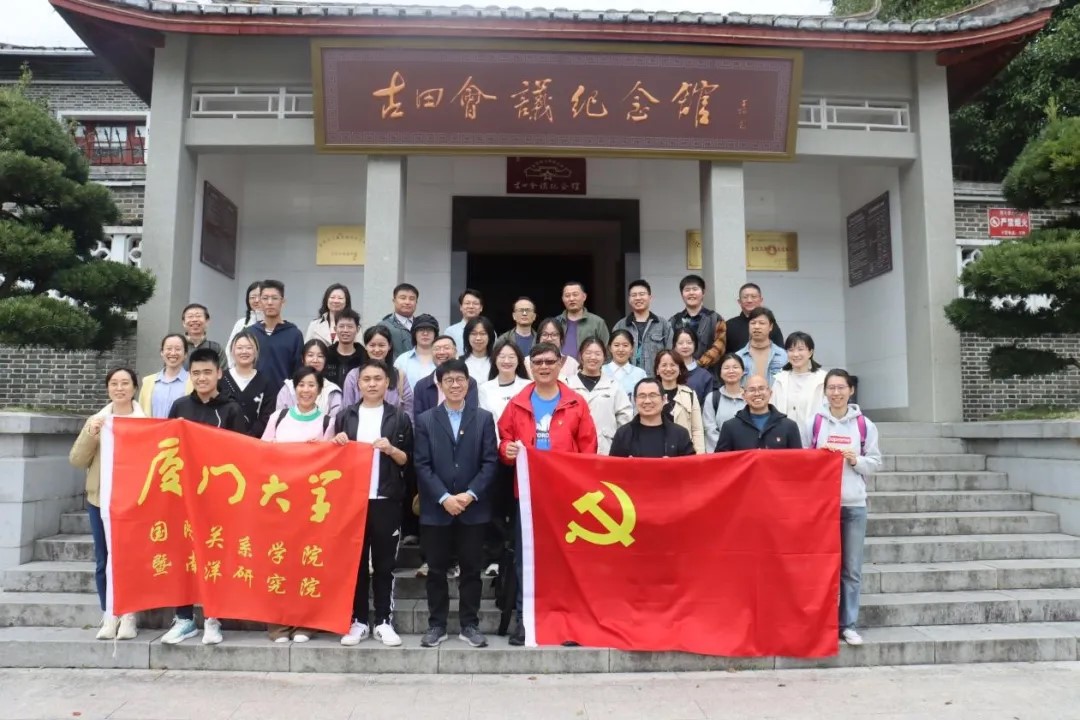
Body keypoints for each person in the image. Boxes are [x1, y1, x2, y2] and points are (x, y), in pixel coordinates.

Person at [498, 342, 598, 646]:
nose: (543, 367)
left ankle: (567, 621)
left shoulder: (576, 403)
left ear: (560, 364)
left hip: (565, 495)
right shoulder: (517, 403)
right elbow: (503, 440)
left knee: (564, 558)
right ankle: (525, 620)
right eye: (538, 362)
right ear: (530, 366)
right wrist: (507, 450)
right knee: (526, 559)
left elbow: (588, 448)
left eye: (549, 362)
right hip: (528, 494)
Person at [161, 347, 248, 645]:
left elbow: (242, 453)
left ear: (219, 373)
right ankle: (184, 619)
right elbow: (167, 447)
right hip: (184, 497)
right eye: (196, 373)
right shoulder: (180, 406)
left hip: (218, 500)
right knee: (183, 559)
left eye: (207, 372)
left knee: (215, 558)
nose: (201, 378)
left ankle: (213, 618)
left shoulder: (231, 409)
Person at [413, 359, 499, 649]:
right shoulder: (425, 420)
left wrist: (470, 494)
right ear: (440, 384)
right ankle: (436, 625)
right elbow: (421, 464)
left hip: (473, 508)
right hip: (436, 509)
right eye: (448, 380)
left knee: (471, 570)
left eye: (460, 379)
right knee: (436, 570)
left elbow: (490, 462)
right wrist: (444, 497)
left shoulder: (483, 418)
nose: (454, 385)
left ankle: (469, 625)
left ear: (468, 383)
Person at [333, 359, 413, 647]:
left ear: (387, 383)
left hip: (386, 499)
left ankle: (383, 621)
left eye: (377, 379)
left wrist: (391, 449)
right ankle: (358, 621)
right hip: (352, 500)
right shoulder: (345, 416)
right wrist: (337, 442)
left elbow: (407, 460)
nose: (372, 384)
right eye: (366, 379)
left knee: (384, 563)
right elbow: (333, 457)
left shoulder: (399, 417)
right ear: (358, 383)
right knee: (355, 563)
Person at [803, 369, 882, 646]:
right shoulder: (813, 423)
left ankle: (848, 624)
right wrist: (818, 458)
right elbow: (801, 460)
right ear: (824, 391)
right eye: (831, 388)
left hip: (853, 504)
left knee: (851, 569)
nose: (836, 393)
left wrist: (855, 460)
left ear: (851, 390)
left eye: (841, 388)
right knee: (821, 567)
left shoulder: (864, 425)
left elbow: (875, 463)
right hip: (821, 507)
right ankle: (820, 623)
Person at [69, 367, 146, 641]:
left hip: (133, 503)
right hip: (100, 500)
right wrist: (91, 434)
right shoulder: (97, 420)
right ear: (107, 388)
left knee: (130, 559)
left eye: (125, 383)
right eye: (114, 383)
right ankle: (109, 613)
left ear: (134, 388)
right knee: (104, 559)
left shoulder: (145, 423)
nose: (119, 388)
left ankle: (130, 615)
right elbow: (77, 460)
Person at [260, 365, 335, 643]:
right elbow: (261, 453)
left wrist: (323, 448)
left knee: (307, 562)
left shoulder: (328, 422)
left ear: (320, 390)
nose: (306, 390)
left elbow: (332, 463)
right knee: (279, 561)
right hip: (279, 504)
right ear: (294, 389)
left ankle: (306, 622)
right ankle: (278, 624)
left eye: (311, 385)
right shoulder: (278, 417)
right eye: (301, 385)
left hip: (310, 507)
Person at [477, 339, 531, 576]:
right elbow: (484, 422)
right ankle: (496, 557)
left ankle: (521, 553)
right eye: (502, 356)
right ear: (494, 360)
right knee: (496, 508)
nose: (507, 361)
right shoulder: (484, 388)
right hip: (495, 454)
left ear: (519, 360)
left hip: (525, 457)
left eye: (511, 357)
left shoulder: (528, 386)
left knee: (521, 507)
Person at [565, 337, 633, 455]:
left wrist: (621, 445)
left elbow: (625, 418)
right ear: (581, 356)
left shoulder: (614, 385)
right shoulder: (568, 385)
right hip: (574, 449)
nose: (593, 357)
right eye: (588, 353)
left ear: (604, 357)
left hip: (606, 448)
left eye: (597, 354)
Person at [609, 378, 695, 458]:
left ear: (664, 399)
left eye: (653, 395)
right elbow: (612, 466)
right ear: (635, 400)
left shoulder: (680, 434)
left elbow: (690, 466)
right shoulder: (623, 434)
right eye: (642, 396)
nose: (647, 401)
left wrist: (672, 465)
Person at [342, 325, 414, 420]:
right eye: (372, 345)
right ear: (366, 346)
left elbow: (408, 412)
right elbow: (347, 411)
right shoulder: (353, 375)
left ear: (389, 346)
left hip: (393, 428)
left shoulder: (399, 376)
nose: (377, 350)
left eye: (381, 345)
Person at [218, 330, 279, 438]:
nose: (244, 351)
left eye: (249, 348)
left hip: (254, 441)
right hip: (224, 439)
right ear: (232, 351)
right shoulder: (221, 378)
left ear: (256, 351)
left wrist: (249, 437)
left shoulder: (265, 382)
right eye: (239, 348)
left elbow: (267, 416)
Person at [715, 375, 802, 451]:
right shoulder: (730, 427)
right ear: (744, 396)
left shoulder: (789, 426)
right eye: (752, 390)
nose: (757, 393)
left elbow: (797, 460)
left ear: (770, 393)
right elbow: (722, 461)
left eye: (761, 389)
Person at [771, 331, 829, 437]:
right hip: (784, 440)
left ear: (810, 352)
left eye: (800, 349)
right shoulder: (779, 379)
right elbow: (772, 412)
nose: (795, 354)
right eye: (791, 350)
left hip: (814, 439)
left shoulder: (823, 379)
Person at [611, 279, 673, 373]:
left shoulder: (663, 325)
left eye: (642, 294)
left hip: (655, 378)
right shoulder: (620, 326)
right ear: (629, 299)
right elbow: (612, 356)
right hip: (627, 378)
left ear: (650, 297)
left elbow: (671, 354)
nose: (638, 298)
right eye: (634, 295)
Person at [252, 279, 305, 391]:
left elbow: (298, 371)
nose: (269, 302)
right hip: (253, 395)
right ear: (260, 302)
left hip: (284, 396)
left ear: (283, 301)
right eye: (265, 298)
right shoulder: (250, 333)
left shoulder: (294, 334)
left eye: (274, 298)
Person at [669, 274, 726, 370]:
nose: (691, 293)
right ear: (682, 294)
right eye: (687, 290)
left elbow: (719, 347)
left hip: (709, 373)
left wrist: (696, 365)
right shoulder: (674, 320)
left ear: (703, 292)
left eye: (695, 289)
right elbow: (669, 347)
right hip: (680, 372)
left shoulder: (715, 318)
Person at [653, 350, 705, 454]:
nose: (668, 369)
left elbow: (697, 429)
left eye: (673, 365)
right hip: (654, 450)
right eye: (664, 365)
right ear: (657, 370)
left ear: (680, 369)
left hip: (683, 451)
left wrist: (699, 455)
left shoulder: (689, 394)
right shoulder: (650, 394)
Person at [414, 335, 479, 418]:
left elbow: (471, 415)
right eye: (437, 349)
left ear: (455, 351)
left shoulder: (469, 382)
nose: (441, 352)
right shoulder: (421, 385)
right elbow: (419, 420)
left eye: (446, 348)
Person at [275, 339, 342, 417]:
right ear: (303, 359)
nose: (315, 360)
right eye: (310, 355)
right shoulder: (288, 388)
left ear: (325, 360)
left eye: (320, 356)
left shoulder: (332, 391)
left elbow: (334, 421)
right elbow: (279, 417)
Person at [138, 334, 192, 417]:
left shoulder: (193, 382)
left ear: (185, 354)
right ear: (162, 353)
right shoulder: (148, 382)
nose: (173, 353)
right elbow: (140, 413)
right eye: (169, 348)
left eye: (178, 349)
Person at [703, 353, 747, 453]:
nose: (731, 371)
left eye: (735, 367)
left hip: (746, 454)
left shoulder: (749, 397)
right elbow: (710, 429)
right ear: (720, 373)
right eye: (726, 368)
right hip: (721, 454)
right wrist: (725, 449)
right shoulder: (712, 398)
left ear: (743, 371)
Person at [734, 307, 788, 386]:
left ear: (771, 327)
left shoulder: (783, 355)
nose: (757, 326)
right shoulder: (738, 357)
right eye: (753, 323)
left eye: (762, 323)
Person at [725, 282, 784, 353]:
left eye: (753, 297)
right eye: (745, 297)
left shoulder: (769, 324)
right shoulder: (729, 325)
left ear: (761, 300)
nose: (749, 300)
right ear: (739, 301)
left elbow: (780, 351)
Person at [555, 281, 609, 356]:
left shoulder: (598, 322)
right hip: (560, 363)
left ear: (584, 297)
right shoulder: (556, 322)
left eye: (575, 295)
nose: (571, 299)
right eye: (567, 296)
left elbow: (606, 350)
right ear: (562, 299)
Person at [324, 308, 369, 389]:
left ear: (358, 329)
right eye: (341, 326)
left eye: (350, 327)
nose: (345, 330)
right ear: (335, 329)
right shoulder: (326, 354)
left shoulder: (365, 356)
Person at [393, 313, 438, 390]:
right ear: (414, 334)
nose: (425, 333)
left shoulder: (442, 358)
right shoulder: (402, 360)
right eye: (421, 330)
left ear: (435, 334)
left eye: (429, 330)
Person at [673, 328, 717, 405]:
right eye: (680, 343)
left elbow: (707, 405)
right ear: (674, 346)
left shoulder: (705, 376)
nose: (685, 346)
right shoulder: (669, 372)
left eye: (689, 343)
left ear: (695, 345)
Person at [379, 282, 420, 360]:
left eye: (412, 299)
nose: (407, 302)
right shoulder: (384, 326)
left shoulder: (422, 326)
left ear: (416, 302)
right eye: (403, 298)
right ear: (394, 301)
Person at [226, 281, 262, 367]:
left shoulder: (272, 324)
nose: (256, 300)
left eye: (260, 297)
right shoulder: (241, 323)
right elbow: (229, 349)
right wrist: (233, 369)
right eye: (252, 297)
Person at [602, 329, 646, 399]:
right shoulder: (601, 372)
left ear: (632, 348)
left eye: (625, 345)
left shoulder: (640, 374)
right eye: (616, 345)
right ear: (610, 348)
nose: (621, 349)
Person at [181, 303, 226, 368]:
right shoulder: (176, 347)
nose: (194, 320)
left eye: (198, 316)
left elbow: (223, 372)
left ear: (207, 321)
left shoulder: (216, 348)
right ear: (183, 323)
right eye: (190, 316)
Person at [444, 289, 484, 354]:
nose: (471, 306)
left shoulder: (489, 331)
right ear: (461, 307)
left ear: (481, 308)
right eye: (467, 303)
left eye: (475, 303)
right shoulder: (450, 331)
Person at [461, 316, 496, 382]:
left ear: (490, 337)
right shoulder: (460, 362)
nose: (478, 338)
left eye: (483, 333)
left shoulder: (497, 361)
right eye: (473, 334)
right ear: (467, 337)